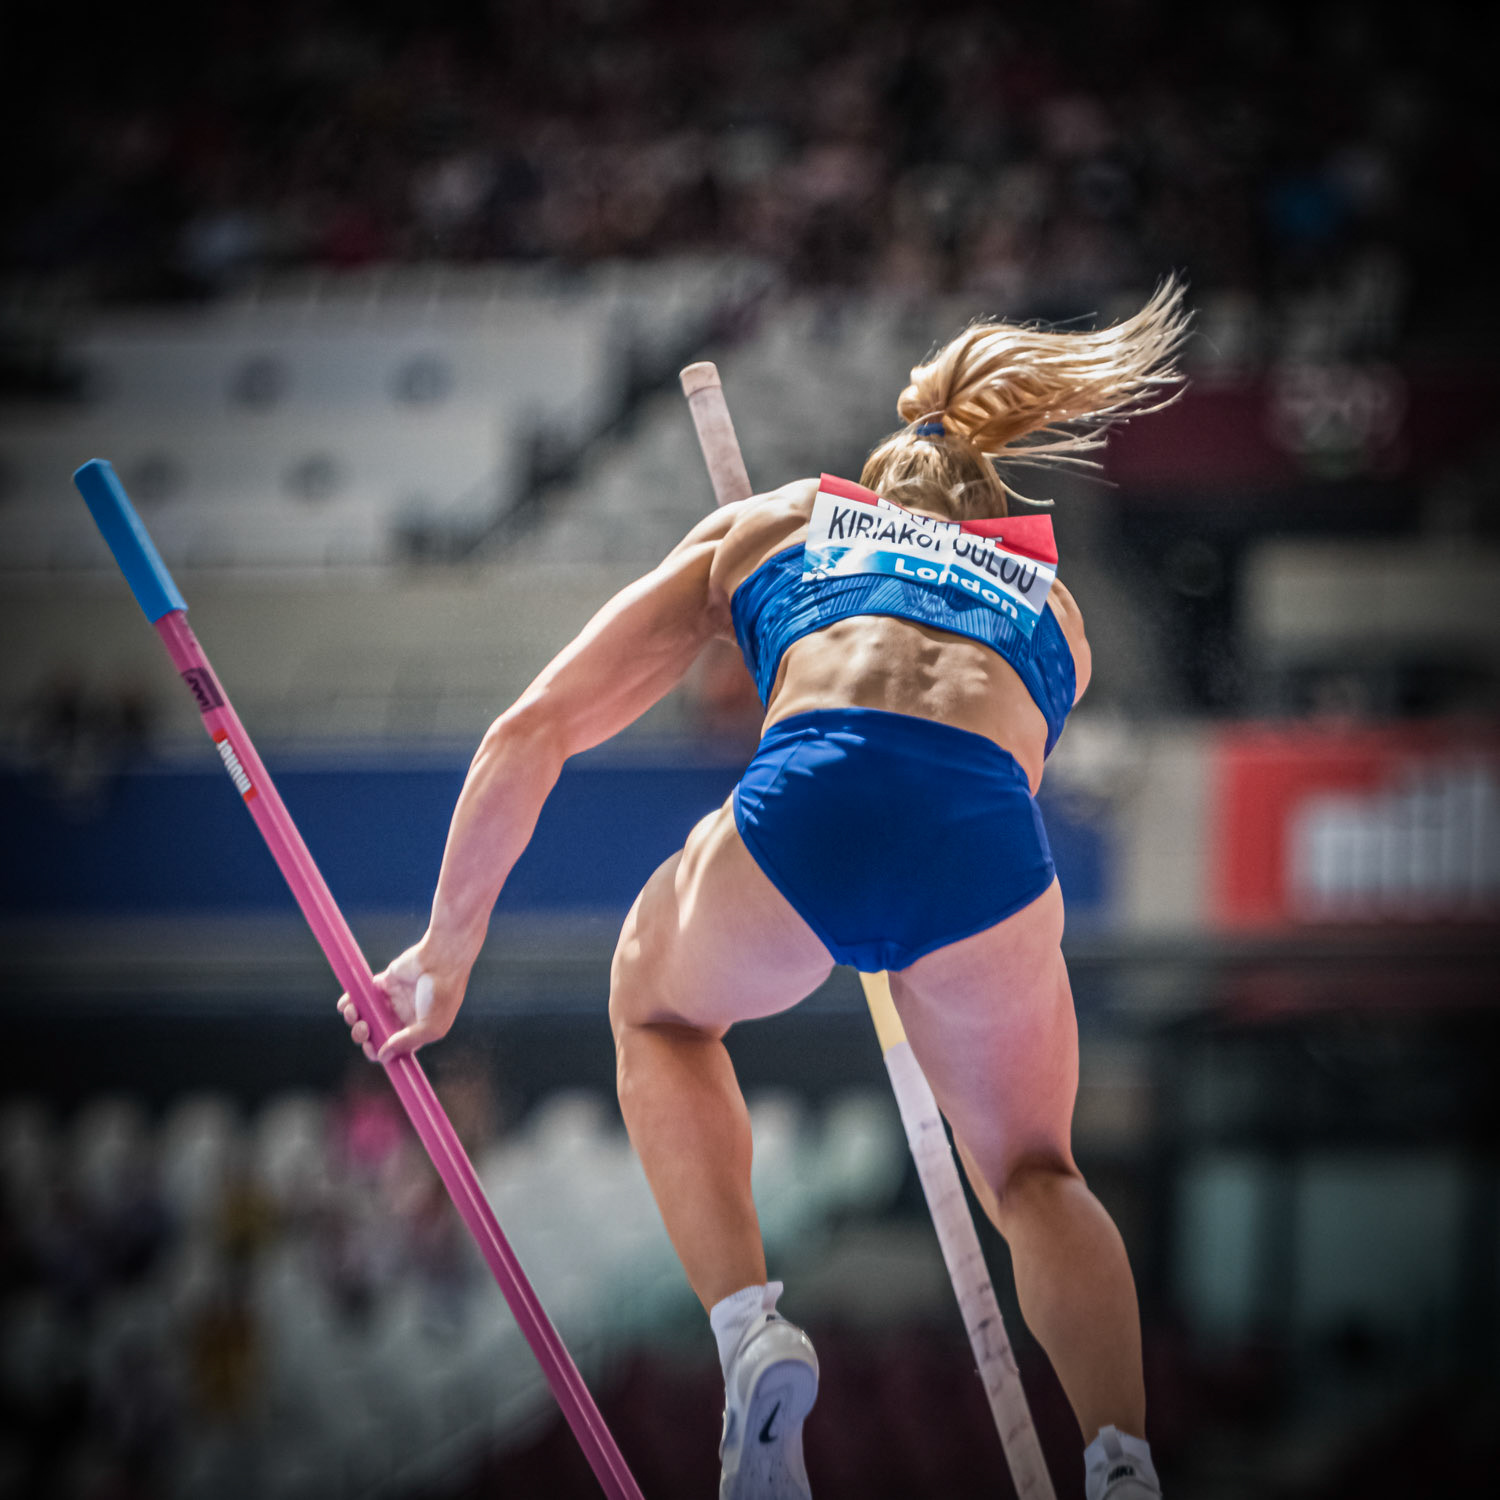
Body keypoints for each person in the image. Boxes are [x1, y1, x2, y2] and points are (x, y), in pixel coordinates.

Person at [338, 280, 1189, 1500]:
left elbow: (535, 728)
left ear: (872, 473)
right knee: (1036, 1176)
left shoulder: (777, 523)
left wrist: (444, 949)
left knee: (657, 1009)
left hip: (809, 803)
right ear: (992, 513)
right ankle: (1121, 1456)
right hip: (987, 851)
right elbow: (942, 723)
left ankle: (752, 1338)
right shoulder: (1057, 606)